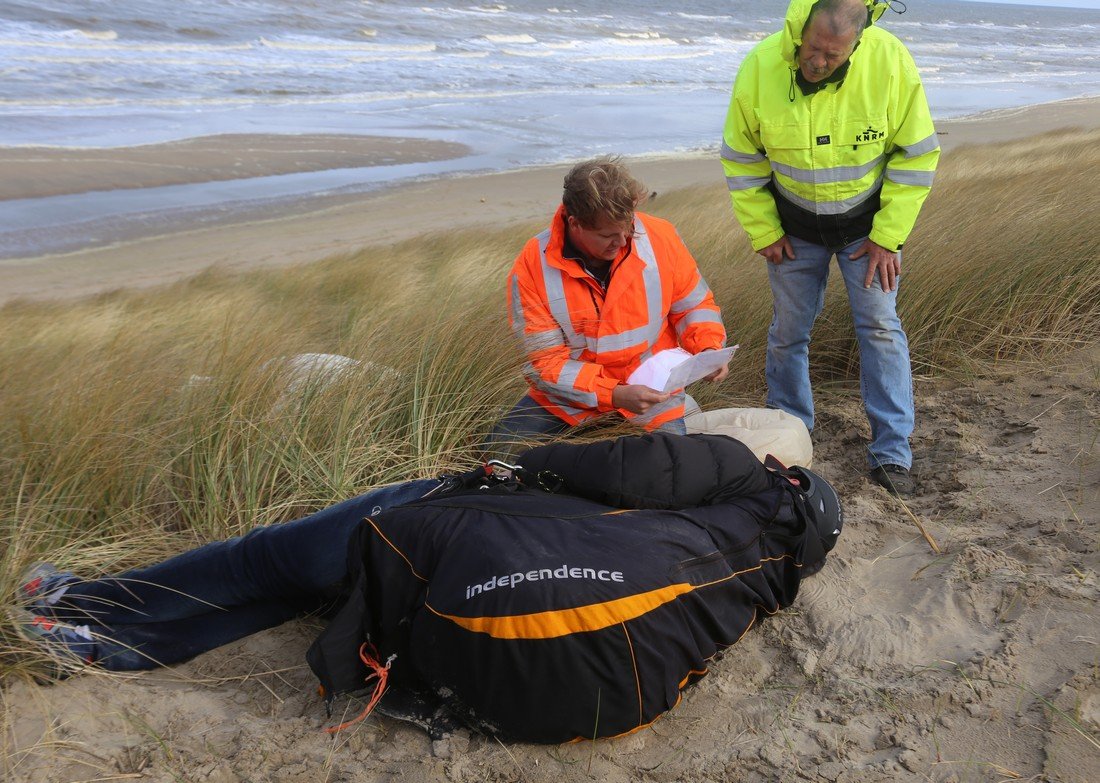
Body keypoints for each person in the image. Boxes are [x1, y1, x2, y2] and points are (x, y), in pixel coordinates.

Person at [14, 433, 841, 744]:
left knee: (268, 558)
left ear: (787, 484)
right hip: (501, 657)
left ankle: (86, 611)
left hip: (456, 540)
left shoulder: (736, 471)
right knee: (324, 583)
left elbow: (625, 464)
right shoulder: (753, 595)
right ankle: (110, 646)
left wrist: (521, 463)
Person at [721, 0, 940, 496]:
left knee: (881, 329)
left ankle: (891, 453)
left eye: (833, 56)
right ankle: (791, 435)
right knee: (787, 334)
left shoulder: (891, 61)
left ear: (857, 44)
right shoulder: (759, 67)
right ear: (800, 30)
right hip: (793, 232)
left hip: (869, 234)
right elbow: (740, 160)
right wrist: (765, 232)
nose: (818, 63)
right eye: (812, 49)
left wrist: (889, 236)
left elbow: (916, 155)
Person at [488, 156, 730, 455]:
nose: (623, 239)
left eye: (628, 227)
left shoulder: (660, 236)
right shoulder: (532, 264)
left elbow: (694, 305)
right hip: (570, 400)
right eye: (607, 235)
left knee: (671, 469)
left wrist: (708, 348)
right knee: (499, 454)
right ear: (574, 223)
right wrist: (613, 395)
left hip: (652, 396)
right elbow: (545, 364)